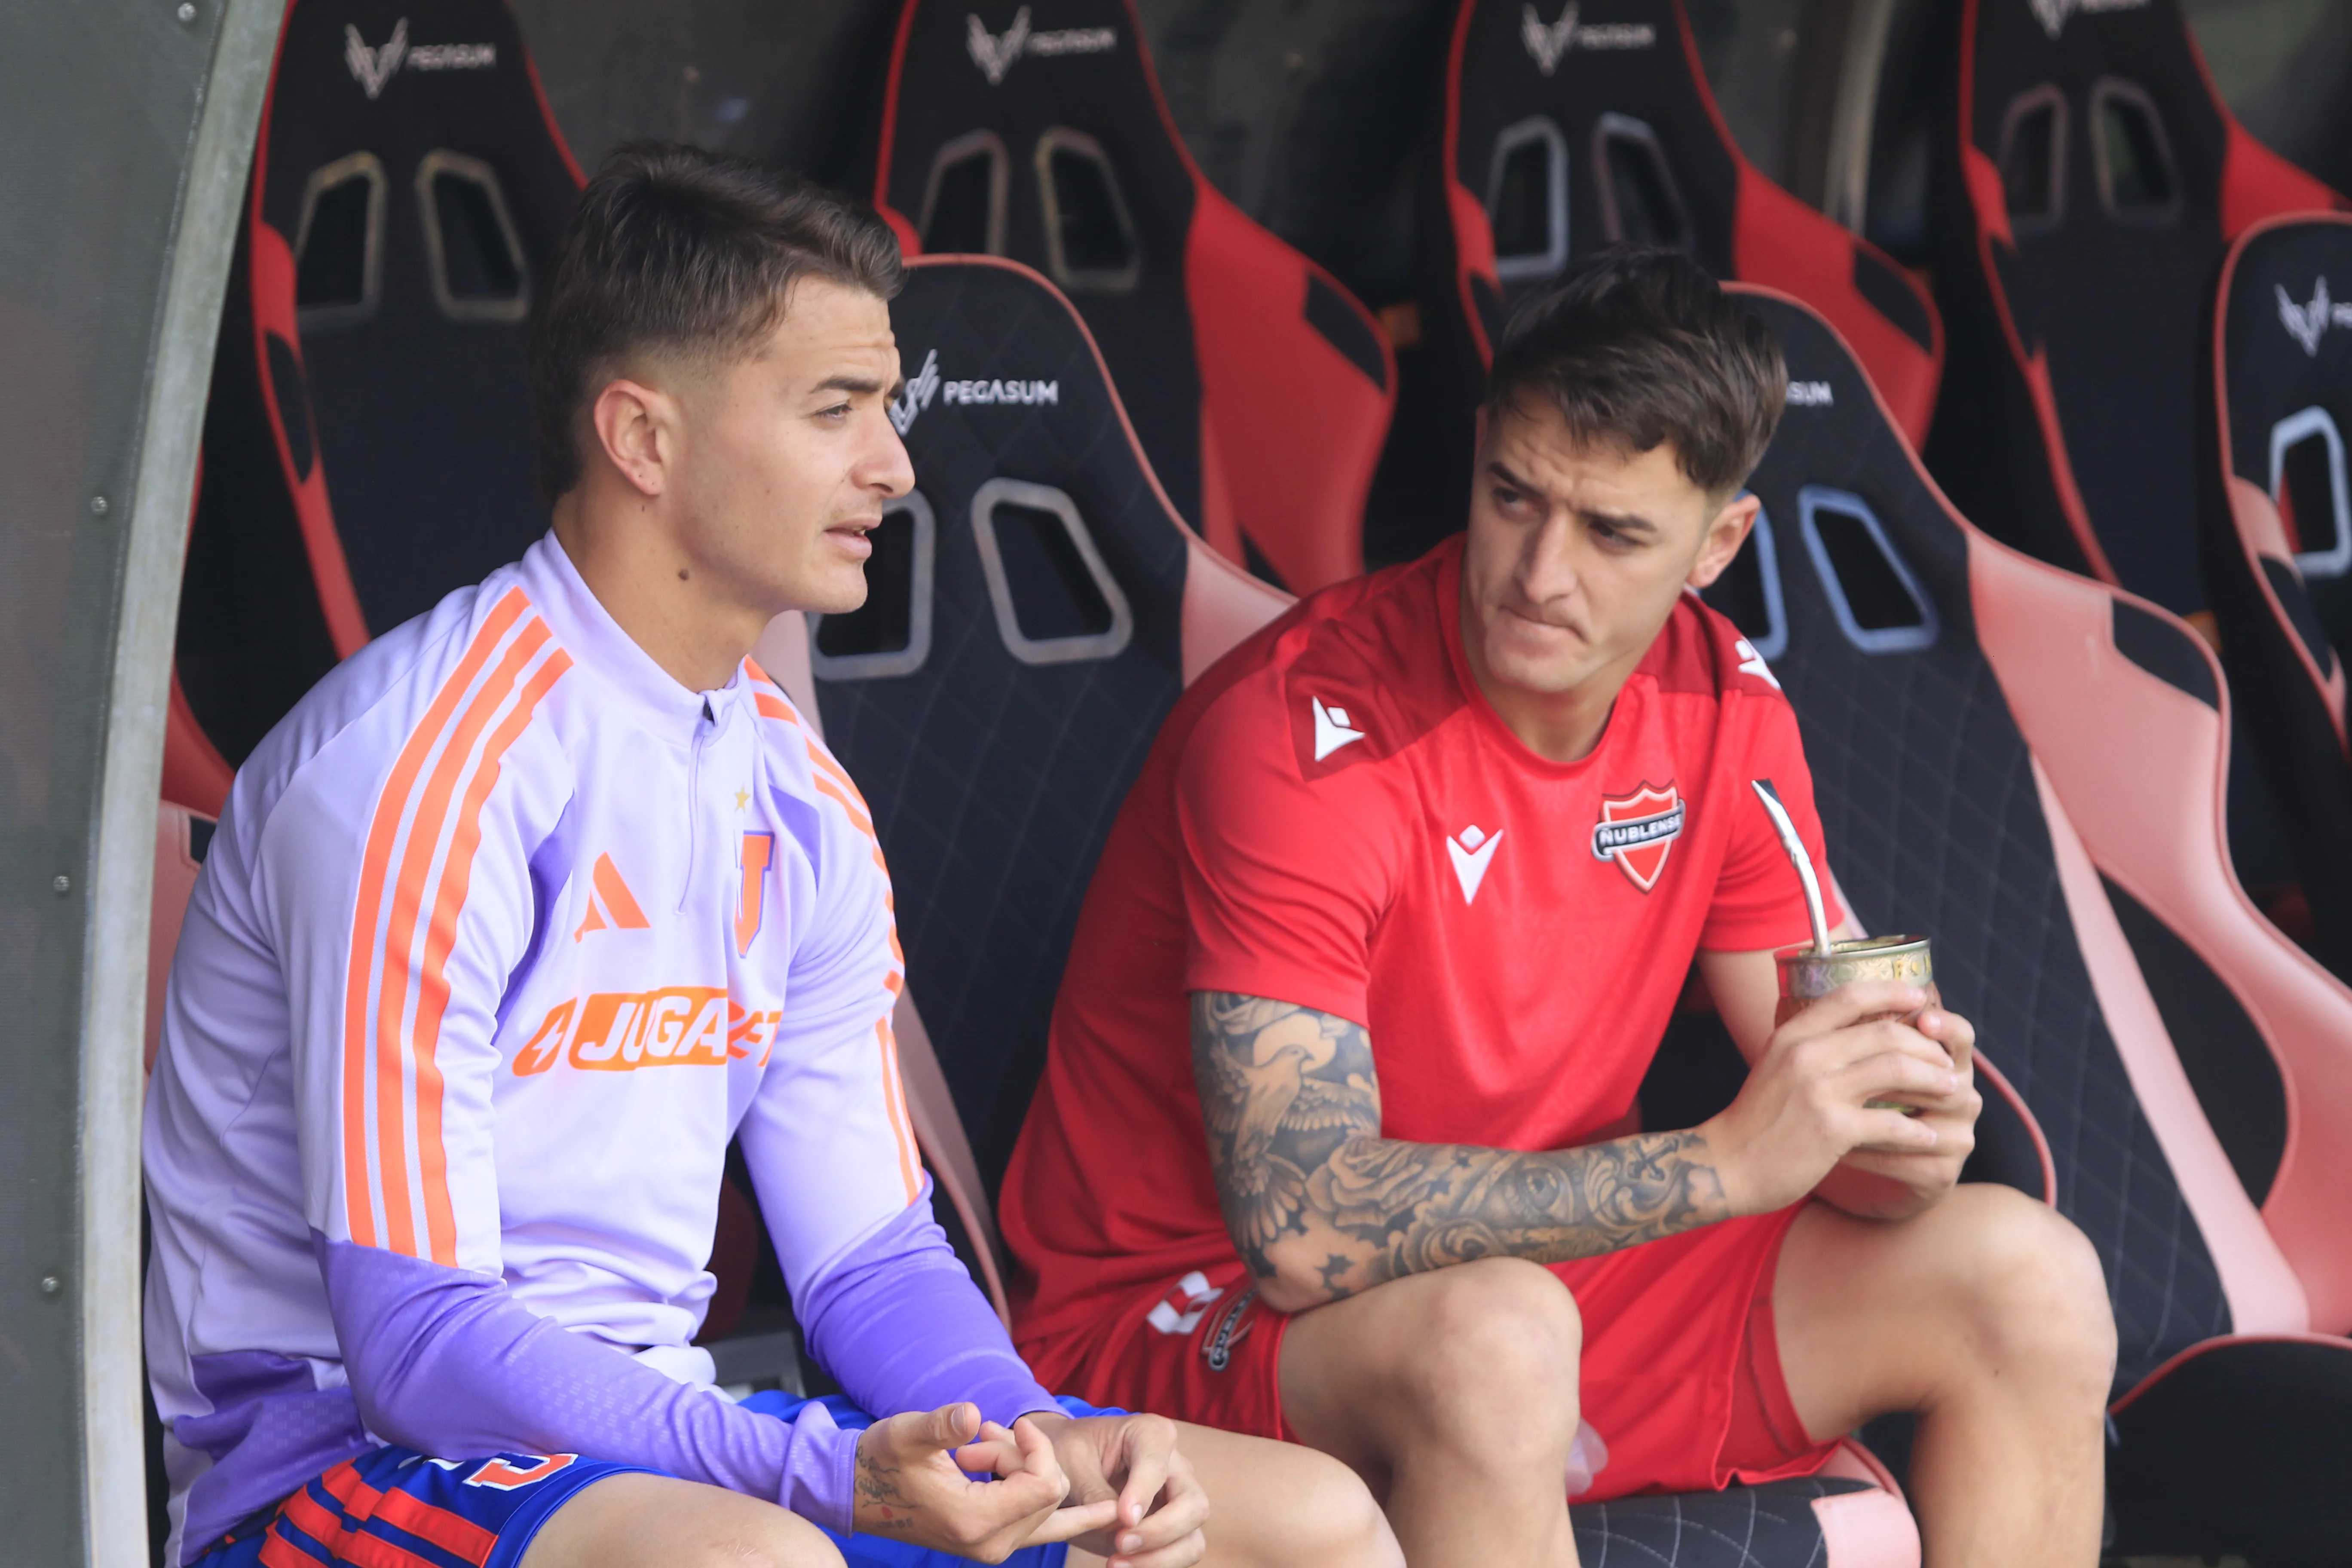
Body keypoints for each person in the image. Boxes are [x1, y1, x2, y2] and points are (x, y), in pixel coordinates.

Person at [143, 143, 1397, 1568]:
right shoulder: (416, 769)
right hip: (340, 1469)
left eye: (886, 407)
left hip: (654, 1443)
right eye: (835, 410)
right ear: (643, 438)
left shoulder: (797, 791)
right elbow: (418, 1346)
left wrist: (1025, 1432)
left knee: (1306, 1526)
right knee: (763, 1561)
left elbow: (866, 1254)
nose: (897, 463)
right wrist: (818, 1473)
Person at [998, 248, 2121, 1567]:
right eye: (1514, 497)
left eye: (1613, 533)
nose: (1540, 571)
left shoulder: (1727, 707)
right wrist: (1727, 1164)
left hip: (1543, 1284)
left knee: (2024, 1275)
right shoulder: (1300, 735)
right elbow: (1303, 1233)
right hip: (1190, 1317)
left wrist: (1891, 1135)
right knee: (1500, 1342)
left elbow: (1855, 1145)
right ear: (1476, 458)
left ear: (1719, 545)